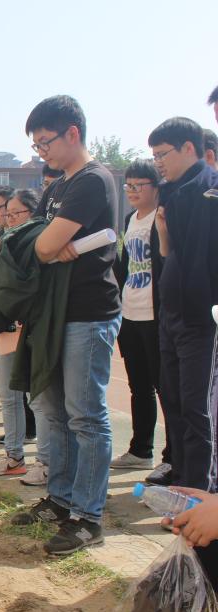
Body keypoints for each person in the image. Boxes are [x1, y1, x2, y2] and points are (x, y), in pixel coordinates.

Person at [10, 95, 121, 555]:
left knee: (85, 416)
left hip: (88, 313)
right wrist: (51, 247)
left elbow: (41, 247)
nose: (42, 152)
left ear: (72, 133)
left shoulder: (93, 181)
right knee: (53, 409)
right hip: (54, 314)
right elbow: (34, 243)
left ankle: (88, 517)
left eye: (45, 143)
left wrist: (50, 247)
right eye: (36, 146)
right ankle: (60, 499)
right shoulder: (57, 187)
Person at [149, 117, 218, 491]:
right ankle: (180, 481)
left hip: (199, 318)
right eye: (154, 156)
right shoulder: (171, 192)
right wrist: (162, 233)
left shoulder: (209, 191)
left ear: (189, 148)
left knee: (196, 407)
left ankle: (199, 489)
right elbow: (170, 255)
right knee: (173, 400)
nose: (158, 163)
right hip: (170, 313)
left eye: (162, 154)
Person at [109, 160, 170, 479]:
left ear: (156, 187)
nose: (132, 191)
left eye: (138, 185)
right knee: (139, 387)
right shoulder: (130, 219)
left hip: (155, 314)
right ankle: (140, 450)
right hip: (130, 313)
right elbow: (125, 264)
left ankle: (172, 455)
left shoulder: (163, 216)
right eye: (128, 185)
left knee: (165, 387)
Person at [0, 189, 39, 478]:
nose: (4, 217)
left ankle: (44, 462)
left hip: (22, 326)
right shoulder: (5, 240)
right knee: (8, 395)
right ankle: (14, 457)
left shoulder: (37, 241)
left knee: (37, 398)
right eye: (0, 212)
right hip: (1, 327)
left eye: (12, 212)